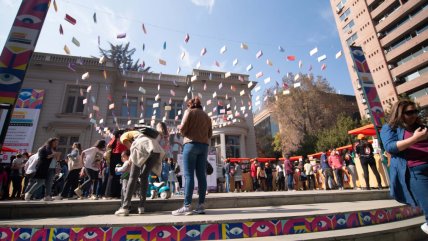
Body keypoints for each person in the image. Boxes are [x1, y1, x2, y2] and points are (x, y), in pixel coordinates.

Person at [380, 99, 428, 235]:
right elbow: (390, 147)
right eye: (409, 112)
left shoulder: (420, 127)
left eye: (415, 111)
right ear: (400, 114)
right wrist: (415, 138)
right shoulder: (390, 128)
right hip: (415, 172)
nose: (414, 115)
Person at [172, 97, 212, 216]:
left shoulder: (189, 112)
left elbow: (183, 129)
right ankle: (200, 205)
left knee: (189, 176)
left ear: (190, 105)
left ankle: (187, 206)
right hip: (204, 146)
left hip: (190, 145)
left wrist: (181, 131)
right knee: (201, 176)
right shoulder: (207, 116)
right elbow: (210, 134)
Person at [114, 126, 165, 216]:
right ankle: (141, 207)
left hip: (142, 147)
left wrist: (130, 160)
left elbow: (132, 148)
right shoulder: (142, 134)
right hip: (156, 149)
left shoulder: (124, 135)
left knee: (133, 177)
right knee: (144, 176)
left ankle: (125, 207)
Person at [105, 130, 127, 199]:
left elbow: (109, 145)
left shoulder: (114, 139)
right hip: (118, 157)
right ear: (120, 134)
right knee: (117, 176)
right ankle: (114, 194)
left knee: (113, 176)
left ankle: (111, 194)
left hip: (114, 157)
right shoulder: (121, 140)